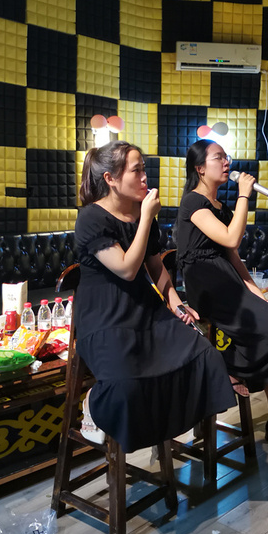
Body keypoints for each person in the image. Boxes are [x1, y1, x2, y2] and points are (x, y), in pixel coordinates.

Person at [74, 140, 236, 452]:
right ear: (110, 179)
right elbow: (126, 269)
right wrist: (146, 217)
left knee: (205, 356)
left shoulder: (139, 212)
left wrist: (176, 303)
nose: (145, 177)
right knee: (125, 386)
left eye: (144, 169)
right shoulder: (92, 218)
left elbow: (155, 265)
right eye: (136, 171)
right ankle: (93, 404)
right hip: (105, 317)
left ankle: (165, 431)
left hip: (146, 311)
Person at [176, 139, 268, 442]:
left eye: (227, 157)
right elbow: (230, 239)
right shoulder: (193, 202)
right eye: (218, 158)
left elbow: (234, 258)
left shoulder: (221, 208)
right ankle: (224, 366)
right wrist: (243, 195)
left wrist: (259, 295)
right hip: (208, 286)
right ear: (200, 168)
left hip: (229, 283)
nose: (227, 162)